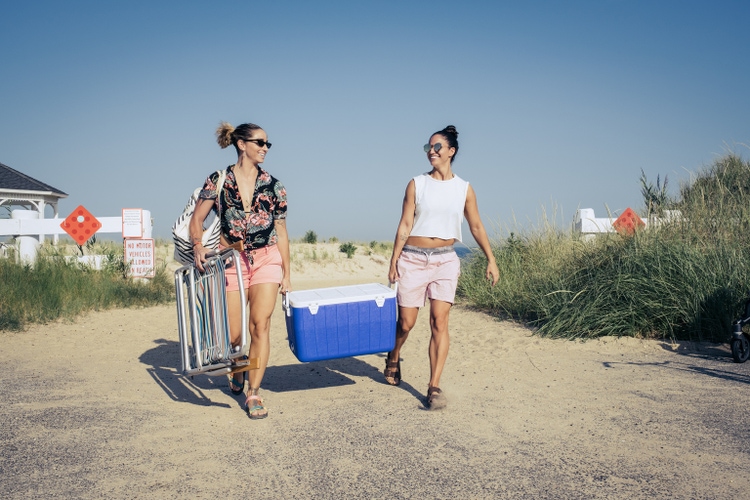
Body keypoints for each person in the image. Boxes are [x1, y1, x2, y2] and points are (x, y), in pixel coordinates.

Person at [385, 125, 499, 409]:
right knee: (406, 322)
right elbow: (405, 224)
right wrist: (394, 260)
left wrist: (490, 258)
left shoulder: (464, 189)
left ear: (451, 151)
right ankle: (394, 353)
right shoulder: (416, 184)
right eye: (428, 147)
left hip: (446, 259)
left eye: (437, 147)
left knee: (439, 321)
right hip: (412, 257)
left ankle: (433, 386)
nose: (431, 152)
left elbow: (475, 225)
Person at [190, 121, 291, 420]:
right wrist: (197, 245)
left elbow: (282, 231)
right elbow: (198, 220)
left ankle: (254, 392)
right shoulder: (218, 180)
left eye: (267, 144)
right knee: (235, 336)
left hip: (266, 259)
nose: (265, 148)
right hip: (231, 261)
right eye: (260, 142)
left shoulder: (275, 186)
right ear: (241, 144)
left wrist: (287, 273)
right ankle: (238, 365)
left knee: (261, 324)